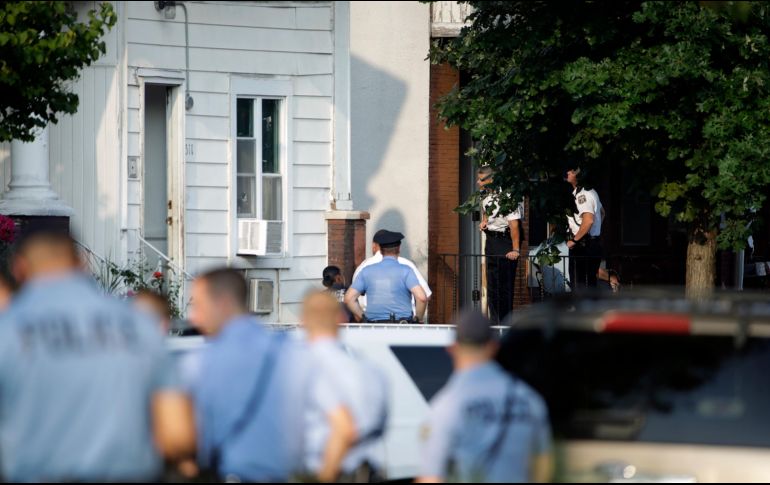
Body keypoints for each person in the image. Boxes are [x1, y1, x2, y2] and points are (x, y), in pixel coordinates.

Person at [0, 229, 195, 482]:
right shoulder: (139, 325)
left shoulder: (9, 330)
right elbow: (177, 434)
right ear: (81, 263)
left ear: (19, 268)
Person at [188, 268, 309, 482]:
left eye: (198, 306)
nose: (193, 318)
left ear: (223, 303)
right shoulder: (289, 350)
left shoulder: (203, 361)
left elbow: (190, 436)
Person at [417, 310, 552, 484]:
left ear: (452, 349)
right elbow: (543, 468)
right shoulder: (529, 399)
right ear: (494, 347)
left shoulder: (447, 406)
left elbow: (431, 478)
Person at [300, 291, 388, 482]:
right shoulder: (372, 371)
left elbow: (344, 429)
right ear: (341, 319)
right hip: (360, 472)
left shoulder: (297, 369)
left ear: (303, 321)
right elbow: (378, 427)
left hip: (318, 472)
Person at [345, 230, 429, 323]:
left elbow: (349, 298)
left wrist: (363, 318)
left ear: (380, 249)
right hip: (402, 327)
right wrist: (418, 318)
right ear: (398, 249)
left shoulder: (366, 270)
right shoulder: (406, 270)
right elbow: (422, 298)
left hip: (373, 327)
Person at [477, 166, 524, 324]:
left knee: (504, 287)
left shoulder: (507, 197)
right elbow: (487, 214)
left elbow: (514, 225)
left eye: (482, 179)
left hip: (505, 241)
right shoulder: (486, 197)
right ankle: (494, 323)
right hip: (491, 241)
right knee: (492, 287)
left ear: (492, 179)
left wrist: (515, 249)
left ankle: (504, 325)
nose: (478, 182)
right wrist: (484, 222)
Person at [565, 167, 604, 289]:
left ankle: (582, 308)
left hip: (583, 245)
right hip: (591, 242)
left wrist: (575, 240)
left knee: (579, 285)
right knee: (589, 284)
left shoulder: (583, 195)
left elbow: (588, 220)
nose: (567, 173)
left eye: (571, 171)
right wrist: (595, 230)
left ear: (578, 176)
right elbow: (602, 213)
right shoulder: (591, 192)